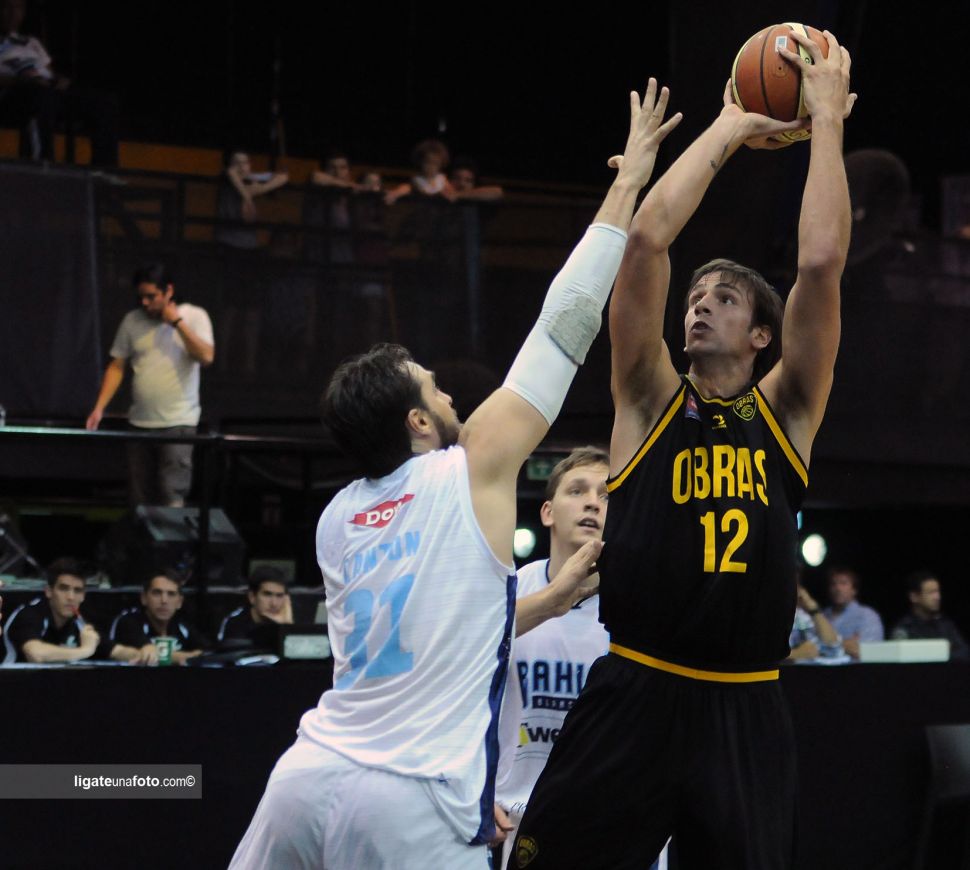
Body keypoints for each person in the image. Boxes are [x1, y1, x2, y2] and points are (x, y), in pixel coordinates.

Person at [229, 78, 681, 870]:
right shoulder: (468, 468)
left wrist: (549, 602)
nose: (451, 399)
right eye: (435, 390)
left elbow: (446, 636)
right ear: (417, 423)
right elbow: (566, 322)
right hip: (413, 797)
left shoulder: (337, 518)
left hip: (305, 777)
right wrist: (628, 182)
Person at [513, 32, 855, 870]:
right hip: (638, 685)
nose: (700, 306)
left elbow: (820, 263)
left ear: (764, 334)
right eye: (697, 297)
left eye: (725, 298)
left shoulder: (788, 412)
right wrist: (730, 125)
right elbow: (645, 244)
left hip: (746, 704)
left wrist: (826, 123)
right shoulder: (648, 396)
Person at [493, 447, 670, 870]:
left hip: (620, 825)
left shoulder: (649, 607)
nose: (592, 502)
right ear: (547, 512)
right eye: (577, 490)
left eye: (606, 496)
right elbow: (464, 698)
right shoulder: (507, 593)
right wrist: (477, 790)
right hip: (522, 819)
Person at [85, 263, 214, 507]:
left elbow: (206, 356)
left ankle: (173, 534)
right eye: (141, 297)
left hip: (178, 422)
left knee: (171, 494)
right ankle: (142, 533)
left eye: (151, 296)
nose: (145, 303)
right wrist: (99, 407)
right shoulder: (132, 320)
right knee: (139, 497)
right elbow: (117, 365)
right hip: (140, 423)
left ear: (168, 291)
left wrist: (177, 323)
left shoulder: (194, 316)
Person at [0, 0, 119, 165]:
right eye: (7, 7)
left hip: (46, 88)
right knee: (41, 96)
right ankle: (44, 165)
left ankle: (105, 170)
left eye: (18, 8)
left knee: (104, 103)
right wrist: (22, 81)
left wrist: (57, 79)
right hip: (14, 93)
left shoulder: (31, 42)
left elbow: (47, 71)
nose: (13, 13)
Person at [2, 557, 137, 663]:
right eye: (64, 588)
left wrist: (141, 654)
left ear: (83, 596)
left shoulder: (81, 622)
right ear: (49, 591)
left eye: (77, 591)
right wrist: (85, 650)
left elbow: (116, 651)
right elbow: (35, 654)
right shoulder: (29, 614)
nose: (71, 597)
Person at [110, 571, 208, 665]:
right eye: (157, 593)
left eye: (171, 594)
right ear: (144, 598)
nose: (164, 600)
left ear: (180, 602)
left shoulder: (182, 625)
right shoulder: (128, 621)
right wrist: (189, 657)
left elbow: (207, 653)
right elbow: (150, 654)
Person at [890, 570, 969, 661]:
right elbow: (904, 658)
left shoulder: (945, 625)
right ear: (914, 597)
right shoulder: (904, 629)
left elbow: (964, 652)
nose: (937, 597)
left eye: (937, 592)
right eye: (931, 593)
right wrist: (942, 651)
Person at [218, 565, 293, 647]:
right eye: (267, 594)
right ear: (252, 597)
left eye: (279, 596)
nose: (274, 603)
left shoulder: (288, 618)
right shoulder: (235, 623)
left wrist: (286, 626)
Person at [822, 565, 884, 659]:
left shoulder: (867, 616)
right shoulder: (821, 615)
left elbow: (867, 651)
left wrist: (829, 645)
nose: (838, 588)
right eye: (833, 584)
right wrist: (845, 644)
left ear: (854, 590)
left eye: (843, 583)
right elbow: (811, 648)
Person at [788, 582, 844, 661]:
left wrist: (813, 608)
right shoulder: (772, 616)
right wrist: (794, 654)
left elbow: (832, 644)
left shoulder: (803, 615)